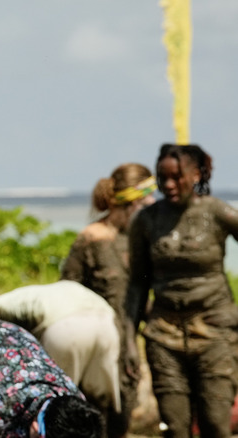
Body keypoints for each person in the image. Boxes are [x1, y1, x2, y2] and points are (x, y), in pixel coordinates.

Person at [126, 143, 238, 438]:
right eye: (163, 179)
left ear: (197, 174)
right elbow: (137, 283)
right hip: (164, 334)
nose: (170, 185)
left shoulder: (217, 212)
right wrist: (128, 338)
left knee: (216, 423)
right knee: (175, 426)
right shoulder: (147, 221)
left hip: (215, 332)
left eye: (177, 177)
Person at [60, 162, 155, 437]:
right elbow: (68, 289)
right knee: (92, 419)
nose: (150, 206)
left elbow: (140, 297)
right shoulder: (91, 239)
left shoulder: (142, 240)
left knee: (121, 420)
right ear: (128, 201)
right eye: (145, 200)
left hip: (127, 345)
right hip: (94, 347)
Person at [0, 280, 121, 437]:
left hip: (66, 329)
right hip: (106, 325)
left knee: (57, 402)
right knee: (96, 403)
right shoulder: (40, 292)